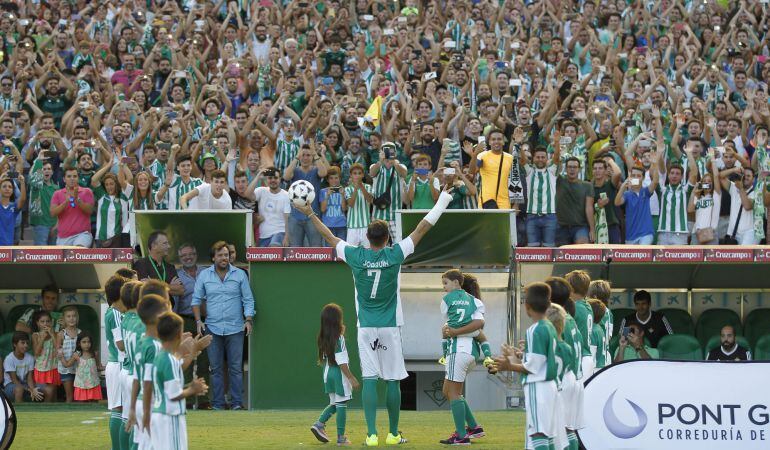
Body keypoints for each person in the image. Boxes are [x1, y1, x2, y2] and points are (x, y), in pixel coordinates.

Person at [295, 185, 455, 446]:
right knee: (392, 379)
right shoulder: (395, 254)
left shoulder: (356, 256)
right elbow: (423, 227)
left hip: (366, 327)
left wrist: (311, 213)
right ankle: (393, 434)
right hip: (390, 326)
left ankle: (371, 435)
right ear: (387, 239)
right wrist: (444, 200)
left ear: (367, 238)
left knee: (370, 379)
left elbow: (329, 237)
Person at [489, 282, 559, 450]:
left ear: (527, 307)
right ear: (548, 305)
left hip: (538, 386)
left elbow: (533, 367)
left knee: (537, 434)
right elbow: (539, 360)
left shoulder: (535, 329)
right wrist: (516, 356)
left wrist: (508, 365)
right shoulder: (550, 326)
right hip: (550, 386)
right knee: (545, 433)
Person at [192, 241, 255, 411]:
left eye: (226, 255)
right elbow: (196, 300)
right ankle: (218, 404)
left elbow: (248, 299)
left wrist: (248, 320)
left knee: (235, 368)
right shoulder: (204, 275)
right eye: (220, 255)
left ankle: (236, 403)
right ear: (213, 258)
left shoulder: (240, 274)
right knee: (216, 369)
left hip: (236, 328)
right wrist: (199, 321)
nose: (224, 258)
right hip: (212, 328)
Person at [437, 270, 486, 445]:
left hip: (458, 350)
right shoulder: (475, 302)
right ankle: (473, 427)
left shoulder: (450, 301)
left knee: (453, 393)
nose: (444, 288)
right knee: (447, 391)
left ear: (457, 283)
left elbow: (476, 328)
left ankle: (461, 436)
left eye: (445, 284)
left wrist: (454, 331)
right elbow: (479, 326)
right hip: (469, 353)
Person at [151, 312, 209, 450]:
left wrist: (193, 351)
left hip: (159, 413)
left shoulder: (160, 356)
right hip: (170, 416)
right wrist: (192, 390)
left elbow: (166, 386)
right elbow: (173, 395)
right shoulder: (169, 360)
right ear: (178, 335)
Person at [543, 277, 584, 450]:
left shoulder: (557, 321)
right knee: (569, 429)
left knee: (556, 431)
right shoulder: (570, 319)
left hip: (564, 379)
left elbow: (556, 352)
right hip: (574, 377)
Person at [310, 304, 360, 446]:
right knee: (342, 404)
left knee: (335, 403)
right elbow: (341, 361)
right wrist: (351, 377)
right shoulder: (339, 338)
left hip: (328, 373)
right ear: (337, 320)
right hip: (339, 374)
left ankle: (319, 424)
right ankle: (341, 437)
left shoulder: (322, 337)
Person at [127, 294, 170, 448]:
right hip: (149, 403)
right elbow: (147, 382)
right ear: (157, 316)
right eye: (165, 312)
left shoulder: (143, 341)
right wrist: (146, 412)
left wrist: (132, 407)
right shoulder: (152, 346)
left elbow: (136, 378)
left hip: (141, 401)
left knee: (142, 445)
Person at [175, 243, 211, 409]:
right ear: (180, 258)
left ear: (196, 254)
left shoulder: (207, 272)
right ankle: (187, 401)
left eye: (191, 254)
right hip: (186, 320)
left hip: (207, 320)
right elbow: (174, 302)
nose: (188, 257)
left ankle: (204, 400)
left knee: (205, 362)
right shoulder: (177, 276)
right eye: (184, 256)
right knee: (186, 361)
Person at [284, 145, 328, 247]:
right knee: (295, 250)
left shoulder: (316, 170)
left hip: (313, 216)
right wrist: (296, 157)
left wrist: (315, 154)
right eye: (303, 155)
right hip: (295, 216)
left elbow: (324, 173)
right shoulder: (295, 171)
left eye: (308, 155)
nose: (305, 158)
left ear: (312, 157)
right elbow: (286, 176)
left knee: (315, 248)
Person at [103, 274, 128, 449]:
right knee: (120, 410)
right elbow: (121, 344)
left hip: (115, 365)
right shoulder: (117, 313)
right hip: (119, 365)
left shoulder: (111, 312)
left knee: (118, 410)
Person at [545, 303, 574, 450]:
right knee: (564, 435)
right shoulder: (567, 348)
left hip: (546, 393)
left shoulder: (548, 347)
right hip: (560, 391)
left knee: (544, 435)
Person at [615, 164, 660, 245]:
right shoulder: (627, 194)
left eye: (638, 176)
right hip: (630, 236)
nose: (635, 177)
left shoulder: (646, 192)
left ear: (642, 178)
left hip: (646, 234)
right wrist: (623, 187)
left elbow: (656, 181)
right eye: (633, 175)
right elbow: (617, 202)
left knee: (642, 254)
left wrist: (654, 164)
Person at [50, 166, 94, 247]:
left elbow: (90, 210)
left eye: (75, 176)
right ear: (64, 179)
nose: (72, 179)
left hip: (82, 234)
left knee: (77, 251)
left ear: (78, 178)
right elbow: (53, 213)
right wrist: (66, 202)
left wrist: (77, 200)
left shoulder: (87, 191)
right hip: (63, 237)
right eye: (69, 176)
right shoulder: (57, 193)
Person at [133, 231, 185, 298]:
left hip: (167, 307)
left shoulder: (170, 267)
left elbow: (181, 290)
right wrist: (170, 287)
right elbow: (145, 290)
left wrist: (154, 284)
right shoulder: (141, 264)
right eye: (165, 243)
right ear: (154, 246)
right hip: (150, 307)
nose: (169, 246)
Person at [555, 158, 595, 245]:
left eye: (575, 167)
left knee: (582, 250)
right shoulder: (559, 181)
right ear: (565, 169)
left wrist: (592, 229)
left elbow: (589, 207)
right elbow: (553, 165)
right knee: (561, 256)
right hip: (561, 227)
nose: (572, 169)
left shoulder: (587, 186)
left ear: (579, 169)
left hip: (580, 227)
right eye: (569, 167)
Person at [470, 130, 514, 209]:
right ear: (489, 142)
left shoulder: (510, 158)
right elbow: (472, 171)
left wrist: (516, 204)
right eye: (493, 139)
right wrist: (475, 153)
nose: (496, 141)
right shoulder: (482, 156)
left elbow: (515, 181)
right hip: (486, 202)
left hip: (504, 203)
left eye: (499, 139)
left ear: (503, 141)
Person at [248, 167, 291, 247]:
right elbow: (248, 195)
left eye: (275, 178)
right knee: (262, 259)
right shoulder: (261, 191)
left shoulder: (286, 195)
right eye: (270, 178)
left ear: (280, 179)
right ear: (266, 179)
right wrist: (258, 177)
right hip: (263, 236)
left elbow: (287, 219)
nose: (273, 180)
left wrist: (287, 237)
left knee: (273, 249)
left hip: (279, 233)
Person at [565, 270, 594, 382]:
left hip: (580, 357)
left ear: (571, 289)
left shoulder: (576, 307)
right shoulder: (587, 305)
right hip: (586, 356)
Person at [3, 331, 44, 403]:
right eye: (22, 343)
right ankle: (18, 412)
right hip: (11, 386)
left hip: (25, 384)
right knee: (19, 389)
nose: (26, 345)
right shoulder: (9, 359)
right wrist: (30, 390)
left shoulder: (30, 358)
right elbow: (14, 380)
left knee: (40, 390)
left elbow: (29, 379)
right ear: (15, 344)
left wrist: (33, 389)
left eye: (27, 343)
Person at [31, 310, 59, 402]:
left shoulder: (55, 334)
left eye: (48, 321)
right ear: (37, 323)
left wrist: (52, 334)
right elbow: (36, 353)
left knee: (52, 393)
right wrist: (42, 338)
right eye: (42, 321)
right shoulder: (35, 335)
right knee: (44, 393)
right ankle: (43, 409)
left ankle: (52, 411)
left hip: (53, 368)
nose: (45, 324)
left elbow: (58, 348)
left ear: (51, 322)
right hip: (40, 369)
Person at [343, 163, 373, 247]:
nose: (357, 176)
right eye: (355, 173)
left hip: (366, 226)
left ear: (363, 175)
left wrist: (361, 187)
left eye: (359, 173)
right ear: (351, 175)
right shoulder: (347, 189)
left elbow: (370, 200)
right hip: (352, 226)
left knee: (367, 251)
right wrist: (356, 188)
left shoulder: (368, 187)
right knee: (352, 252)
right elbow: (351, 204)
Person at [55, 306, 80, 403]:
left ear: (77, 318)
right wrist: (65, 362)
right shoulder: (61, 334)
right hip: (65, 368)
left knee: (78, 396)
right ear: (64, 319)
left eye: (74, 316)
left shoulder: (80, 332)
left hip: (78, 369)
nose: (71, 318)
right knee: (70, 396)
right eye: (68, 316)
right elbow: (58, 350)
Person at [318, 167, 348, 244]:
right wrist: (327, 196)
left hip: (341, 224)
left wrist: (342, 196)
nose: (334, 180)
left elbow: (344, 209)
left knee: (341, 249)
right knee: (328, 251)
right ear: (327, 180)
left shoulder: (343, 190)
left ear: (340, 178)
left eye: (336, 178)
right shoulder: (323, 191)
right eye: (331, 178)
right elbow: (323, 209)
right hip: (327, 225)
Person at [587, 280, 613, 363]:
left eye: (588, 295)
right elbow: (609, 337)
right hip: (605, 355)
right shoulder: (609, 312)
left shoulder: (591, 311)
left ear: (594, 297)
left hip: (595, 355)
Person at [73, 331, 103, 401]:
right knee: (81, 406)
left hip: (93, 384)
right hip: (81, 385)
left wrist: (108, 367)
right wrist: (61, 357)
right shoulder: (77, 355)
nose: (87, 344)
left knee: (94, 406)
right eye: (84, 342)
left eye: (88, 342)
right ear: (79, 343)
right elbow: (67, 365)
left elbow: (98, 367)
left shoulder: (94, 354)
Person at [0, 175, 26, 246]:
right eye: (4, 186)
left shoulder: (13, 207)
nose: (7, 188)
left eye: (10, 187)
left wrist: (22, 182)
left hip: (8, 245)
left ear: (12, 191)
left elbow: (23, 199)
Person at [587, 299, 609, 373]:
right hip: (602, 366)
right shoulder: (599, 328)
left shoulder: (592, 330)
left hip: (596, 369)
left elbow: (591, 355)